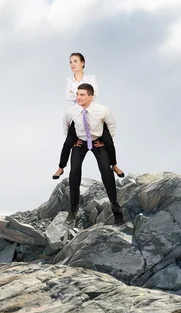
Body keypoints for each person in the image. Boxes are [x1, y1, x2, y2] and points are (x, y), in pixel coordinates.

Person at [52, 53, 124, 179]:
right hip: (78, 115)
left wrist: (75, 93)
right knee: (68, 143)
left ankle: (114, 165)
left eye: (75, 61)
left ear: (82, 63)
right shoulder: (69, 80)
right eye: (70, 62)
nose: (72, 64)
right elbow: (68, 97)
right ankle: (61, 167)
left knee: (108, 141)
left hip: (93, 115)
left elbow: (94, 95)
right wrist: (82, 94)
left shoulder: (91, 78)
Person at [64, 83, 122, 222]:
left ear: (91, 96)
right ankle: (73, 208)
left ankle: (115, 204)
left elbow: (111, 125)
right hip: (81, 143)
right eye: (77, 94)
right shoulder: (72, 111)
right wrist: (72, 141)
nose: (78, 97)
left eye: (82, 95)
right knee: (75, 171)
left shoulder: (103, 110)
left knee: (106, 171)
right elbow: (66, 125)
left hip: (97, 142)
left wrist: (104, 141)